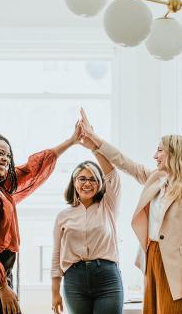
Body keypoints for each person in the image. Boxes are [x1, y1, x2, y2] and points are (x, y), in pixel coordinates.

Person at [78, 109, 182, 314]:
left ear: (174, 152)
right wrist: (95, 141)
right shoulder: (155, 178)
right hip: (152, 255)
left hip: (175, 265)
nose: (155, 156)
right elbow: (123, 161)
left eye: (160, 150)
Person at [0, 125, 80, 314]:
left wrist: (71, 141)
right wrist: (1, 285)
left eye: (9, 156)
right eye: (1, 153)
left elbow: (32, 169)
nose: (6, 159)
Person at [51, 134, 123, 314]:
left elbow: (112, 175)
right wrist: (54, 292)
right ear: (74, 182)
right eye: (82, 178)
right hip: (74, 280)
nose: (87, 183)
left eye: (93, 179)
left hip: (107, 277)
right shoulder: (63, 216)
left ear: (100, 184)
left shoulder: (108, 207)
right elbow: (56, 255)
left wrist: (94, 147)